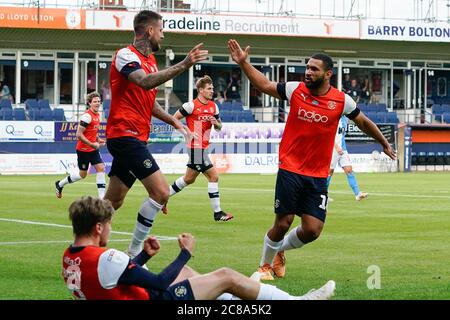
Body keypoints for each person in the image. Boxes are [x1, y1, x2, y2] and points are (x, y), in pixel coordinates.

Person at [227, 39, 396, 281]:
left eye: (314, 69)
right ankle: (263, 267)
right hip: (290, 167)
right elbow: (264, 84)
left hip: (317, 174)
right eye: (307, 67)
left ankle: (279, 251)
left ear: (328, 74)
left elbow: (364, 122)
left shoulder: (341, 100)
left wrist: (383, 142)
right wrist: (244, 63)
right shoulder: (295, 89)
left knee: (312, 230)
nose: (308, 72)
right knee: (283, 222)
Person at [62, 196, 336, 300]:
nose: (110, 229)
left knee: (192, 274)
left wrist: (145, 255)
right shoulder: (107, 257)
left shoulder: (69, 257)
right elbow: (158, 284)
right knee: (225, 276)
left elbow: (118, 280)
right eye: (109, 224)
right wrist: (185, 252)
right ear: (98, 228)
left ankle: (247, 295)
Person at [104, 10, 208, 259]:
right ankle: (134, 254)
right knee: (161, 192)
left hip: (135, 137)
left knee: (112, 201)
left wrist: (173, 120)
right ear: (150, 30)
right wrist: (184, 64)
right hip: (124, 135)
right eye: (161, 30)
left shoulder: (150, 62)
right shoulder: (126, 55)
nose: (163, 34)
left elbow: (148, 101)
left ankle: (86, 243)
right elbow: (145, 82)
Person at [167, 75, 233, 222]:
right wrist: (186, 133)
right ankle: (218, 213)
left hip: (203, 148)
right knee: (213, 176)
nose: (212, 91)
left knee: (188, 179)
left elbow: (219, 127)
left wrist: (216, 123)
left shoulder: (213, 106)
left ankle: (162, 196)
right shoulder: (190, 106)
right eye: (209, 88)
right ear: (201, 90)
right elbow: (173, 119)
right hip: (195, 148)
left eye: (212, 88)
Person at [55, 92, 106, 199]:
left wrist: (98, 139)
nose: (97, 103)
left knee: (100, 168)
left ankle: (102, 199)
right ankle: (60, 184)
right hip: (83, 150)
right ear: (89, 103)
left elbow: (92, 132)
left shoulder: (97, 115)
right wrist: (92, 144)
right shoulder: (87, 116)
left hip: (93, 150)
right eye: (95, 102)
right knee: (82, 175)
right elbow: (78, 134)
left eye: (99, 101)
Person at [327, 115, 368, 201]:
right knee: (329, 172)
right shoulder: (333, 117)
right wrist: (336, 147)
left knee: (349, 170)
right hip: (333, 149)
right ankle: (323, 195)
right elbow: (328, 134)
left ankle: (357, 194)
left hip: (343, 149)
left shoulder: (345, 119)